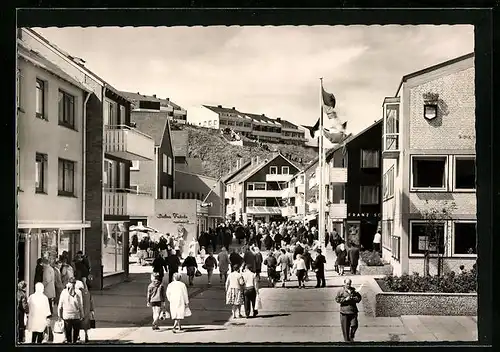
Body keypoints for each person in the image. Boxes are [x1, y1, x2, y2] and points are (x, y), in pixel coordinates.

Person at [58, 277, 84, 344]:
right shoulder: (78, 292)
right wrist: (82, 315)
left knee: (68, 332)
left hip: (66, 315)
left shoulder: (63, 292)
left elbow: (60, 306)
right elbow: (81, 305)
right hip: (76, 315)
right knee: (76, 333)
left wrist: (59, 316)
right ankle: (74, 343)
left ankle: (69, 344)